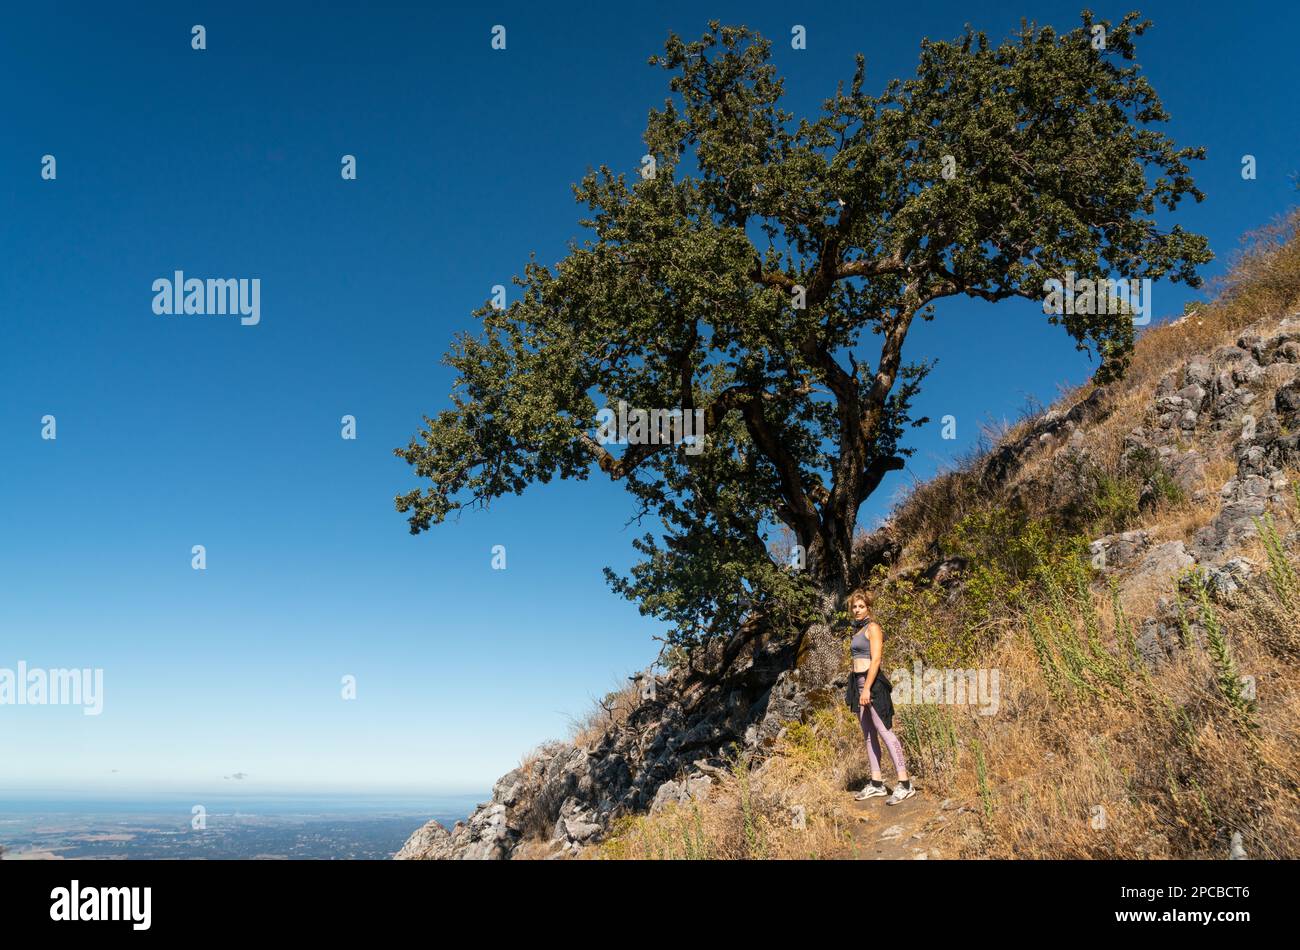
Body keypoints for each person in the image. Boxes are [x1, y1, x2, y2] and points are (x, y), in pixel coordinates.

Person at [845, 588, 915, 804]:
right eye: (854, 607)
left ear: (868, 608)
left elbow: (876, 660)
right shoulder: (857, 631)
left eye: (861, 606)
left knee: (884, 731)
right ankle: (876, 783)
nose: (857, 610)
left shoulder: (873, 628)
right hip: (857, 684)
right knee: (867, 733)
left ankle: (905, 784)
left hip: (872, 685)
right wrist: (859, 688)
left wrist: (866, 688)